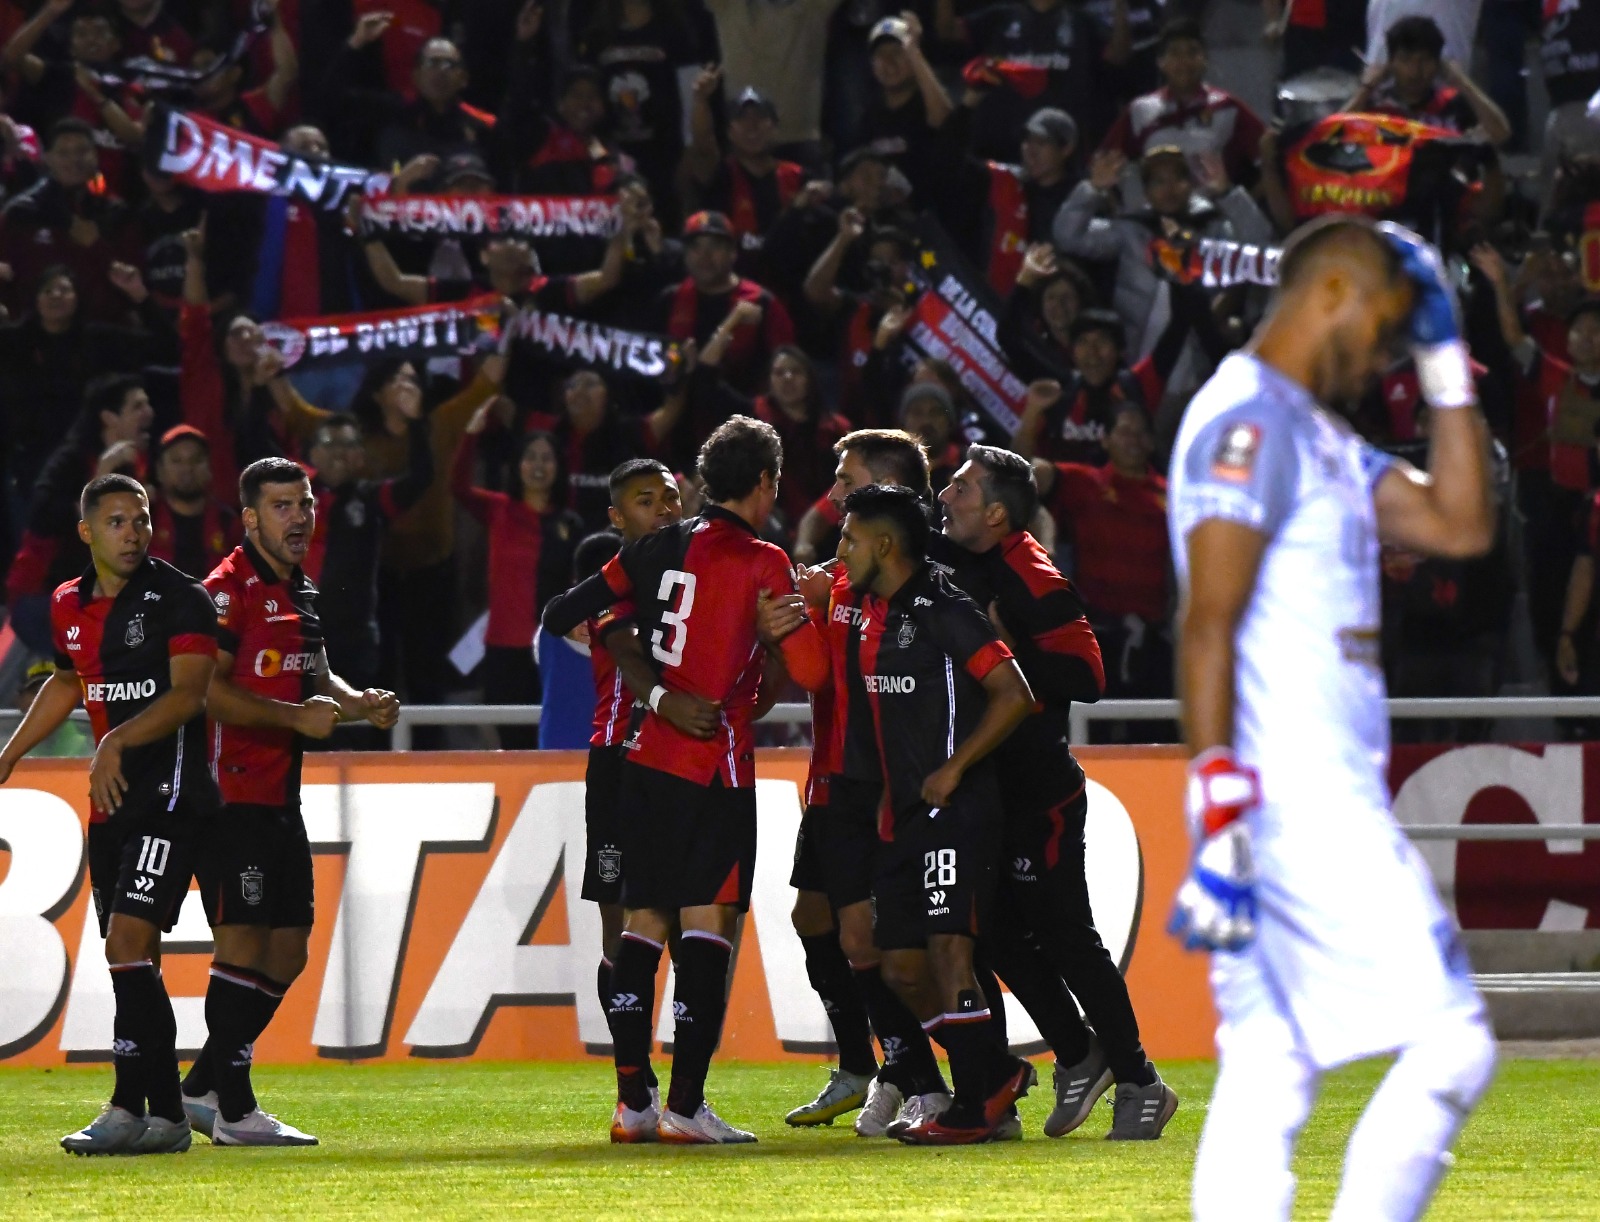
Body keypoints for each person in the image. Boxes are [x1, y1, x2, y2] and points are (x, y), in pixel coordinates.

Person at [1167, 215, 1498, 1220]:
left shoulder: (1311, 432)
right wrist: (1219, 793)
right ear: (1330, 296)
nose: (1384, 359)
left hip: (1275, 795)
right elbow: (1206, 622)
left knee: (1268, 1069)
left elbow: (1458, 522)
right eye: (1389, 331)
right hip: (1295, 796)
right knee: (1453, 1042)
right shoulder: (1249, 422)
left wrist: (1448, 365)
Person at [543, 414, 830, 1145]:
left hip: (643, 762)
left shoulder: (653, 550)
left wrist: (636, 641)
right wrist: (782, 625)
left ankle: (636, 1103)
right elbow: (813, 674)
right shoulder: (765, 561)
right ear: (764, 484)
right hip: (715, 765)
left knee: (641, 925)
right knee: (708, 924)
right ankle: (685, 1105)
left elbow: (559, 613)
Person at [940, 445, 1175, 1138]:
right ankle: (1079, 1054)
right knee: (998, 938)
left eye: (959, 486)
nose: (945, 495)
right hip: (996, 788)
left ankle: (1138, 1080)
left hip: (1039, 791)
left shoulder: (1030, 570)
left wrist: (1015, 649)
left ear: (996, 511)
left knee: (1068, 938)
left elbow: (1089, 673)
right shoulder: (969, 558)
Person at [182, 458, 401, 1146]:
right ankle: (236, 1112)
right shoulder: (226, 590)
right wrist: (294, 720)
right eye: (282, 506)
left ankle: (201, 1087)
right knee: (242, 943)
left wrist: (356, 701)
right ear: (249, 518)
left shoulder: (298, 587)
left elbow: (313, 672)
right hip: (230, 796)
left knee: (288, 950)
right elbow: (206, 692)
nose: (299, 516)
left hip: (279, 796)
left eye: (304, 503)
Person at [0, 473, 220, 1155]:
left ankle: (146, 1111)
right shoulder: (69, 603)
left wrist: (116, 740)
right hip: (113, 803)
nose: (134, 532)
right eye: (118, 521)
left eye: (142, 519)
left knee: (127, 943)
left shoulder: (182, 598)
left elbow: (189, 695)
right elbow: (69, 679)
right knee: (131, 955)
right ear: (88, 532)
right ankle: (148, 1112)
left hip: (173, 795)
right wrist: (8, 756)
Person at [832, 482, 1036, 1145]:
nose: (842, 549)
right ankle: (994, 1073)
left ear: (884, 546)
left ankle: (974, 1107)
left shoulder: (945, 607)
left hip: (957, 806)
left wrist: (955, 767)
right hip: (900, 816)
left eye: (851, 538)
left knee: (951, 952)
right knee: (900, 969)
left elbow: (1014, 693)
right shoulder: (867, 608)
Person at [769, 429, 955, 1137]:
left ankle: (926, 1080)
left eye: (846, 479)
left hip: (875, 784)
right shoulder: (846, 573)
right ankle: (868, 1067)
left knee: (868, 939)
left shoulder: (908, 585)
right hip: (831, 781)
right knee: (813, 920)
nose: (834, 494)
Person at [575, 459, 685, 1097]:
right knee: (620, 924)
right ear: (616, 518)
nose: (663, 509)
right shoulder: (610, 588)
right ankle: (632, 1083)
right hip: (619, 759)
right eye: (646, 501)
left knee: (676, 920)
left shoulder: (696, 578)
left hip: (681, 764)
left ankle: (669, 1085)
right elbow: (624, 653)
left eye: (670, 497)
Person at [452, 417, 584, 745]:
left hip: (553, 649)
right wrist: (472, 432)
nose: (538, 465)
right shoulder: (499, 509)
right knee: (511, 738)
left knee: (552, 737)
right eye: (531, 457)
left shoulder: (571, 523)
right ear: (518, 465)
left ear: (558, 467)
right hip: (503, 648)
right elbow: (457, 485)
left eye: (547, 458)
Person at [1033, 402, 1171, 697]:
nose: (1133, 440)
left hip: (1155, 638)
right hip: (1098, 635)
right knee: (1095, 731)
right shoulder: (1084, 482)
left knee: (1154, 733)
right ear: (1105, 440)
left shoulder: (1172, 493)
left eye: (1140, 433)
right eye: (1124, 432)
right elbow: (1031, 477)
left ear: (1150, 441)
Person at [1098, 18, 1266, 193]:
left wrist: (1242, 206)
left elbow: (1269, 158)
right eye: (1175, 53)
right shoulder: (1140, 109)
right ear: (1161, 62)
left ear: (1205, 59)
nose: (1184, 61)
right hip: (1156, 215)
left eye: (1192, 52)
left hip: (1213, 215)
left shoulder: (1227, 106)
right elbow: (1103, 164)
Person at [1344, 15, 1510, 146]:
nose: (1415, 71)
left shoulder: (1453, 104)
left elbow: (1500, 134)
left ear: (1438, 64)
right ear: (1391, 63)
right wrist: (1367, 87)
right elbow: (1329, 134)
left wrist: (1461, 81)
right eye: (1405, 60)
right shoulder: (1374, 104)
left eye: (1424, 60)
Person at [147, 425, 241, 582]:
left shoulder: (228, 523)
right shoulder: (146, 518)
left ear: (210, 468)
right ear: (159, 471)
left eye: (196, 460)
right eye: (176, 461)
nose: (187, 468)